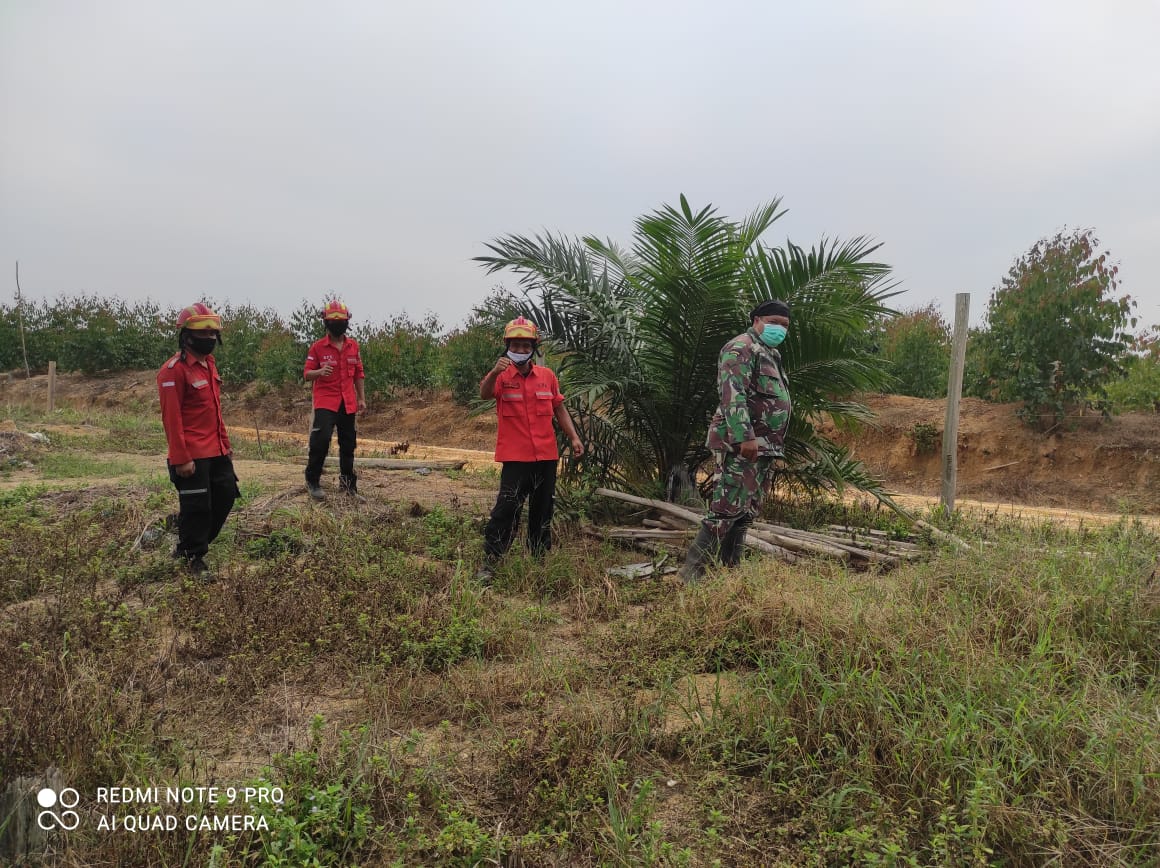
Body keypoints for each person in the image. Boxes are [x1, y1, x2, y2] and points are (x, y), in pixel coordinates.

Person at [679, 299, 793, 583]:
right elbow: (732, 393)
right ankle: (691, 574)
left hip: (764, 446)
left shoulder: (771, 353)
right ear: (757, 320)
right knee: (726, 508)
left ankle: (729, 569)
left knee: (746, 511)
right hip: (741, 444)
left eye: (785, 325)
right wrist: (745, 436)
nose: (779, 328)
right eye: (774, 322)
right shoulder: (740, 347)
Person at [477, 316, 584, 580]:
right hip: (515, 458)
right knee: (507, 508)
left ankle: (538, 558)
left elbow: (558, 407)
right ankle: (491, 560)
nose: (521, 350)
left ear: (533, 348)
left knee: (542, 508)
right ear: (507, 346)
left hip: (546, 456)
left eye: (526, 345)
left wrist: (574, 437)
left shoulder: (546, 377)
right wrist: (493, 372)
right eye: (516, 345)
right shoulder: (501, 377)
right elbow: (484, 393)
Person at [157, 302, 240, 579]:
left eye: (213, 334)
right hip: (191, 454)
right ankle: (192, 557)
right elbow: (172, 418)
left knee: (227, 494)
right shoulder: (174, 370)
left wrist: (225, 446)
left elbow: (215, 412)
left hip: (216, 449)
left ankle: (191, 541)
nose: (209, 339)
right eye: (202, 334)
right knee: (197, 506)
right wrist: (181, 458)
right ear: (186, 335)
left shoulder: (209, 365)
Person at [303, 300, 367, 501]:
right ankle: (312, 481)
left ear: (347, 322)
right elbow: (306, 374)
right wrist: (320, 372)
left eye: (341, 321)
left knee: (348, 444)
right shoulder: (318, 347)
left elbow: (358, 374)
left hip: (347, 401)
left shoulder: (353, 346)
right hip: (325, 401)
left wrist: (362, 399)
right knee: (320, 440)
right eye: (333, 321)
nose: (337, 324)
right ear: (326, 323)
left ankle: (348, 485)